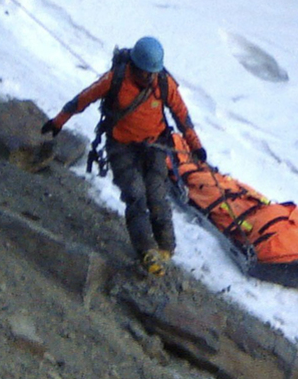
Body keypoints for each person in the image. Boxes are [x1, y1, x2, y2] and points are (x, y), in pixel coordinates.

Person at [41, 36, 206, 277]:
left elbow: (182, 116)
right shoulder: (116, 79)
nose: (148, 77)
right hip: (122, 148)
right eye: (144, 73)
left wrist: (196, 146)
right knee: (135, 195)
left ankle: (166, 247)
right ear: (135, 67)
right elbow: (82, 99)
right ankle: (146, 252)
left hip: (155, 146)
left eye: (152, 73)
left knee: (157, 195)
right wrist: (58, 122)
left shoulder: (163, 83)